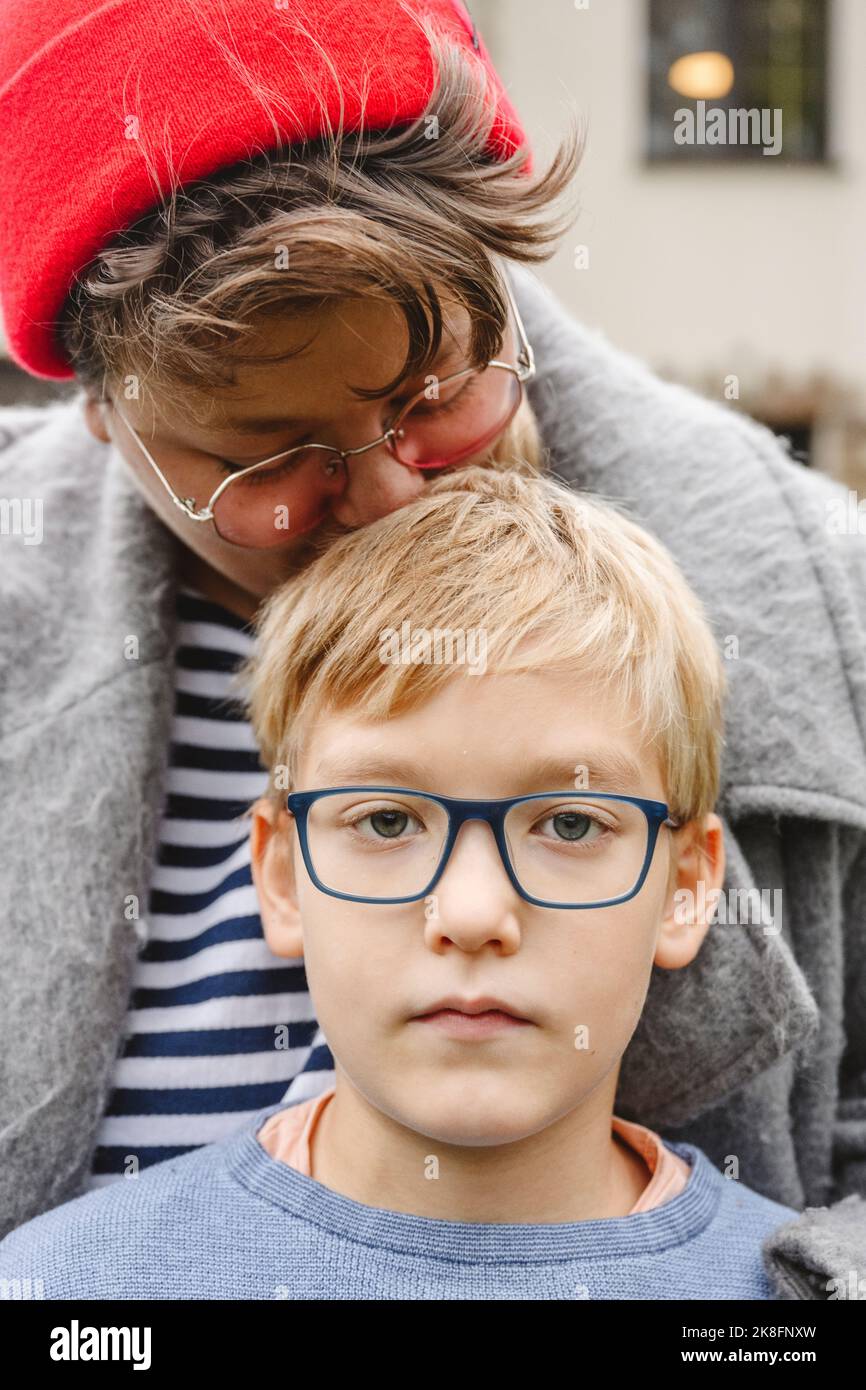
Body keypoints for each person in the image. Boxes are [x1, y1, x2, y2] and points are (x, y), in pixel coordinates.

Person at [0, 0, 864, 1276]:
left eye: (431, 396)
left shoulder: (825, 602)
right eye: (268, 458)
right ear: (96, 415)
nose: (392, 494)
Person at [0, 467, 806, 1300]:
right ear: (281, 875)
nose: (469, 914)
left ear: (686, 887)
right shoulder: (64, 1289)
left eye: (570, 823)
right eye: (386, 821)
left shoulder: (785, 1303)